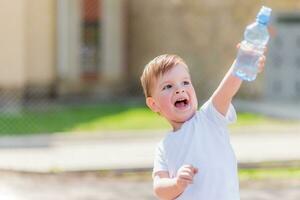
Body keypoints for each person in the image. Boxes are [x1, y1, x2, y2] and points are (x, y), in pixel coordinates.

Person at [140, 50, 265, 200]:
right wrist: (176, 184)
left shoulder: (209, 118)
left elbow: (226, 89)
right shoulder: (164, 147)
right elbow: (160, 189)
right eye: (168, 86)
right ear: (154, 104)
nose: (180, 89)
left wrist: (242, 62)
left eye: (185, 82)